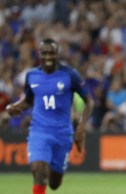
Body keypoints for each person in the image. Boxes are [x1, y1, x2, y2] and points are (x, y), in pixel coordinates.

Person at [6, 38, 93, 194]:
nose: (48, 56)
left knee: (54, 184)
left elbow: (89, 102)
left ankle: (57, 174)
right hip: (39, 131)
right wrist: (16, 106)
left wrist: (80, 128)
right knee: (38, 171)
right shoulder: (31, 75)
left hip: (63, 133)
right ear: (39, 54)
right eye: (44, 53)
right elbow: (29, 99)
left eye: (51, 53)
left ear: (57, 54)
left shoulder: (70, 75)